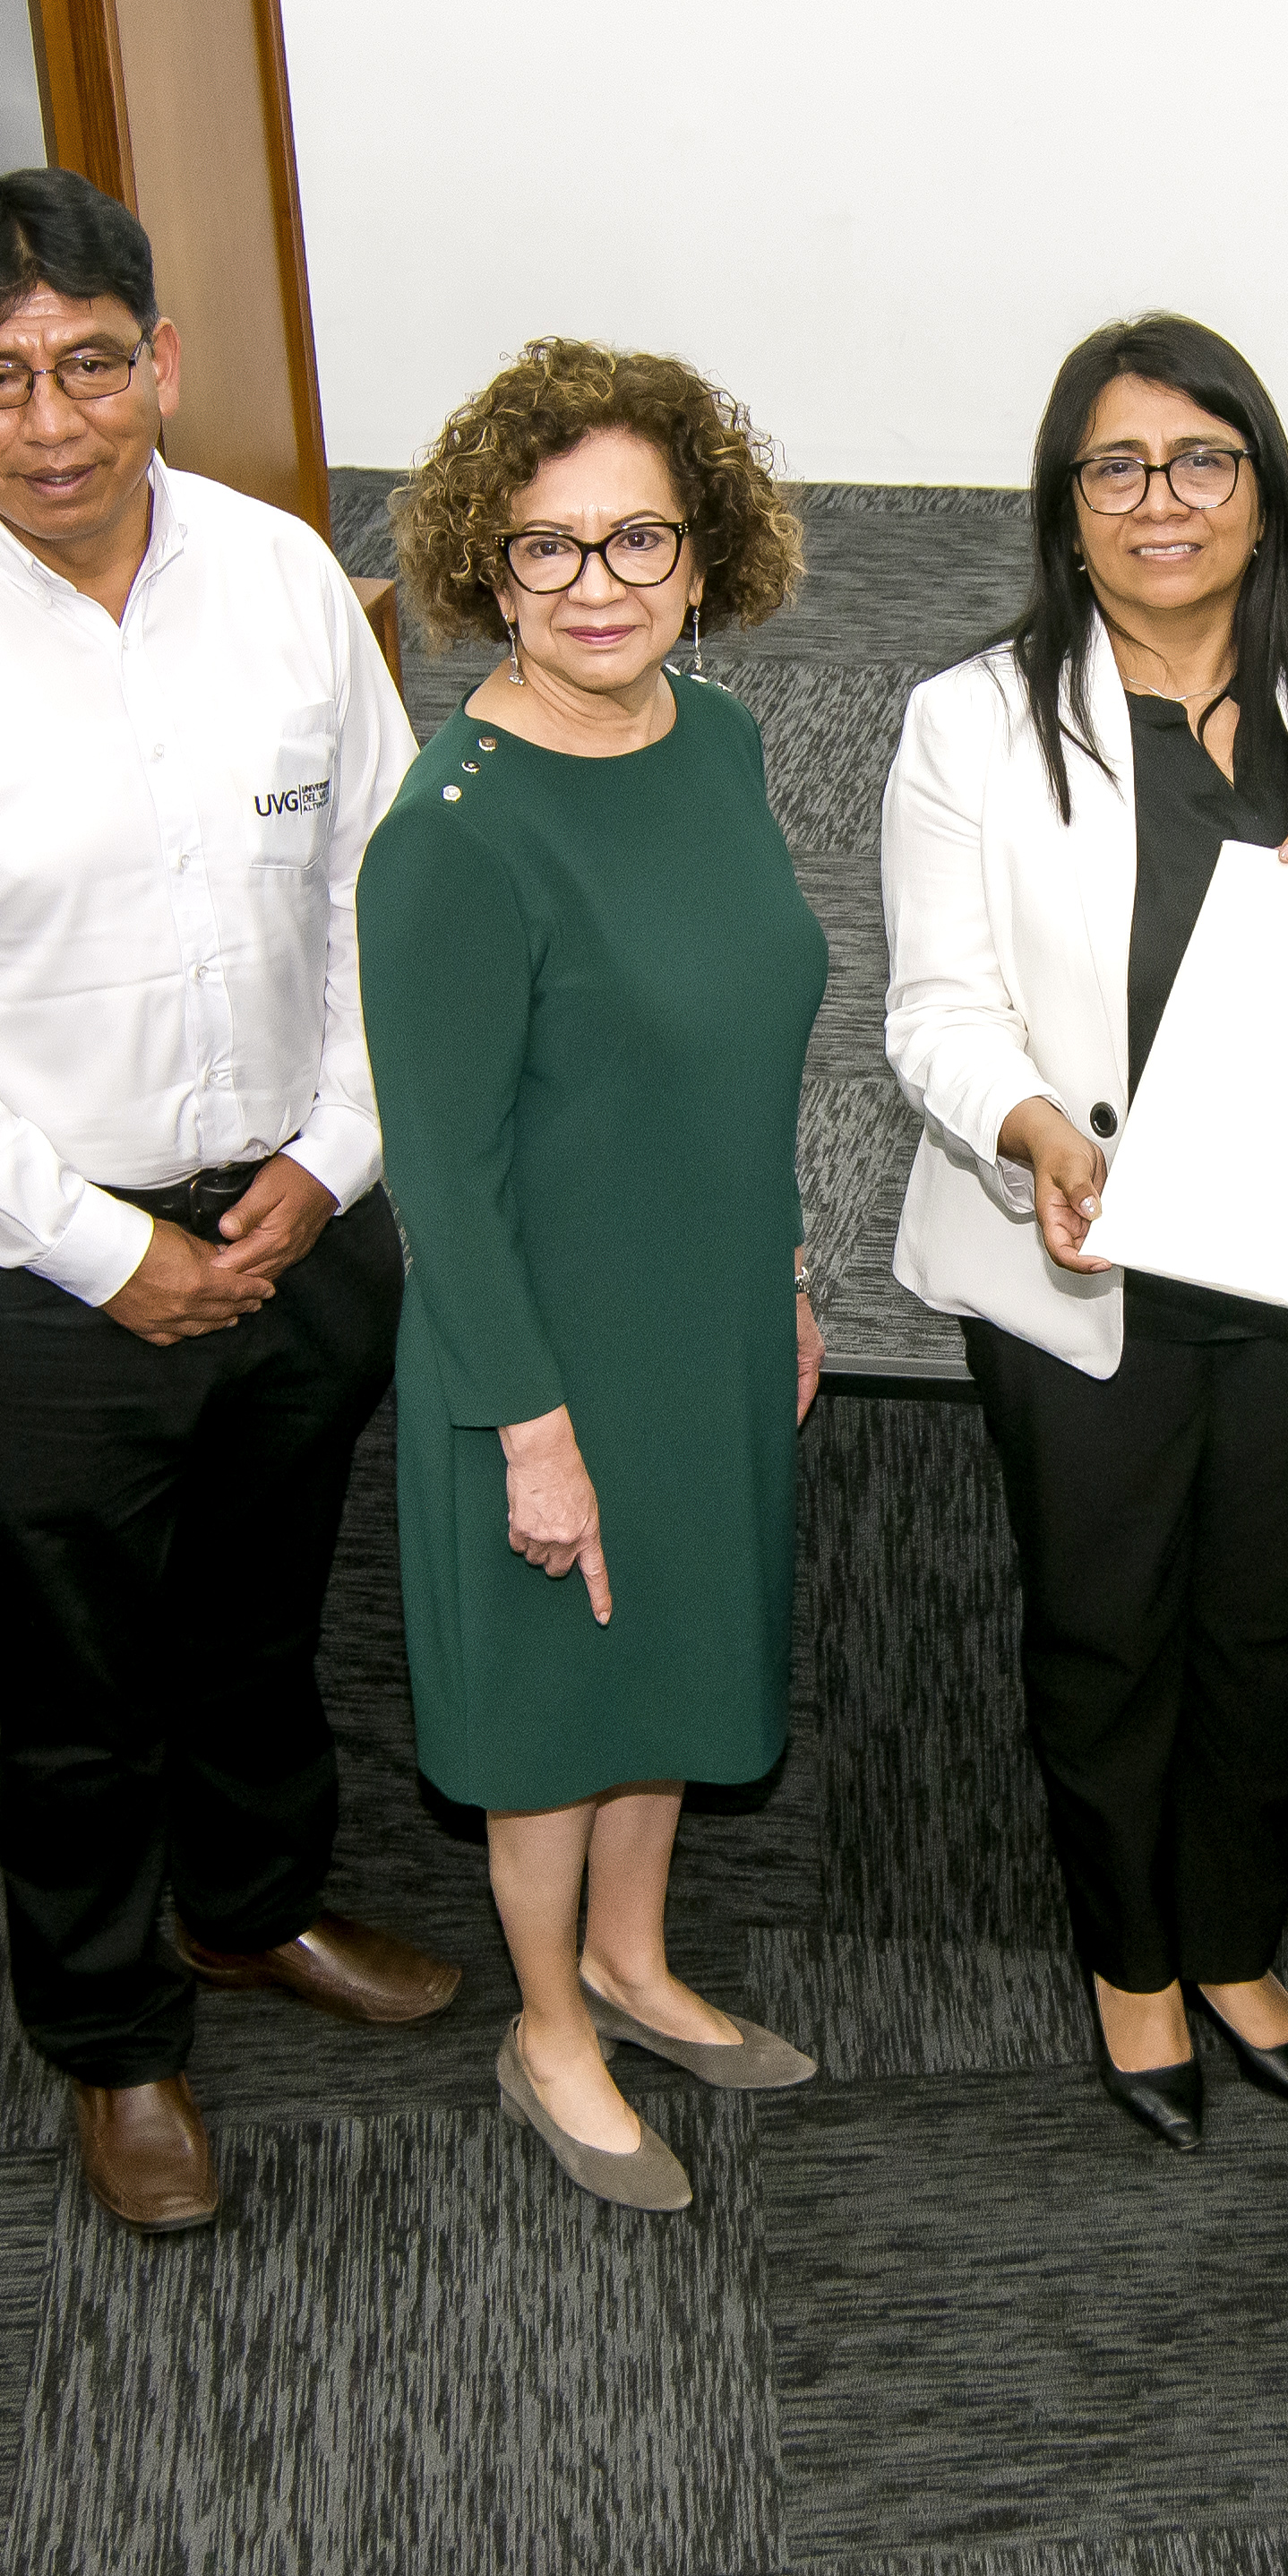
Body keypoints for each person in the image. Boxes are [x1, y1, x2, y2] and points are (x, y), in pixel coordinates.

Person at [0, 168, 442, 2240]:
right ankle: (114, 2037)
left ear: (162, 360)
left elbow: (384, 894)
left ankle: (248, 1912)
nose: (48, 422)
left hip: (299, 1218)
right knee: (74, 1692)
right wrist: (97, 1244)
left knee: (257, 1625)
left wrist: (332, 1158)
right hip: (43, 1266)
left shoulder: (284, 577)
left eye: (84, 366)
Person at [885, 314, 1288, 2150]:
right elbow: (932, 1010)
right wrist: (1025, 1130)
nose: (1160, 499)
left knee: (1265, 1623)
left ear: (1260, 490)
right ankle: (1133, 1965)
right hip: (1075, 1249)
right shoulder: (973, 716)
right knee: (1104, 1628)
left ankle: (1239, 1942)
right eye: (1116, 466)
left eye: (1200, 460)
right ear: (1066, 507)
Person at [361, 338, 832, 2214]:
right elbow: (444, 1182)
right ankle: (549, 2017)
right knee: (555, 1707)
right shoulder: (450, 838)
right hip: (533, 1340)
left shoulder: (714, 741)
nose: (596, 585)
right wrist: (525, 1429)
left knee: (675, 1656)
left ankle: (638, 1961)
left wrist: (783, 1261)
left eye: (636, 538)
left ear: (703, 557)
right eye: (546, 550)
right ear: (487, 568)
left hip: (701, 1305)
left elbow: (739, 1041)